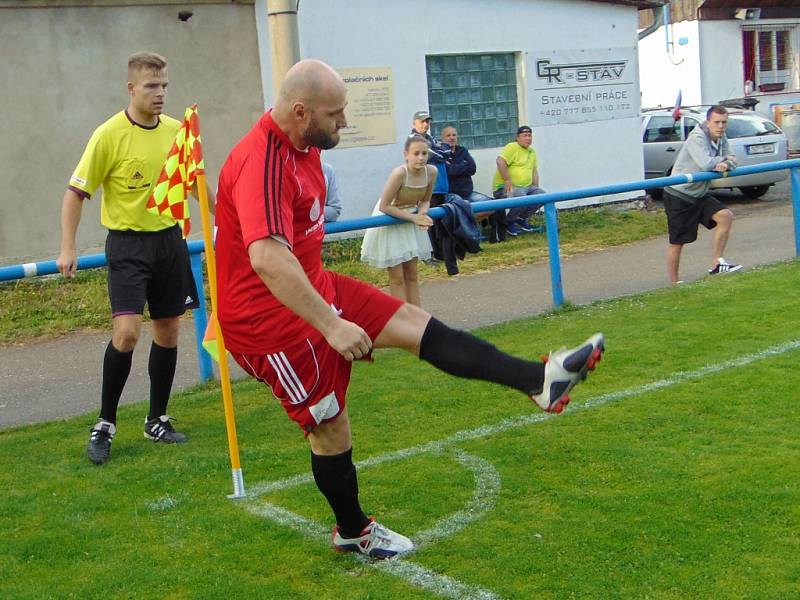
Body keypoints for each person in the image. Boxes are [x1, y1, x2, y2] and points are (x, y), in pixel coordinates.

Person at [214, 59, 605, 561]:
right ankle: (353, 529)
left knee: (415, 324)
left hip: (313, 285)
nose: (345, 122)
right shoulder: (262, 159)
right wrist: (331, 324)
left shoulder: (304, 144)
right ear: (299, 111)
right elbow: (267, 256)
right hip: (266, 321)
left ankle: (539, 381)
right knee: (331, 426)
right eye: (336, 114)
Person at [56, 52, 202, 465]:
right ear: (131, 89)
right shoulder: (108, 135)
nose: (160, 94)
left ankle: (157, 419)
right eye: (152, 86)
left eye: (165, 86)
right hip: (127, 246)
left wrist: (223, 223)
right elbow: (75, 193)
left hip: (169, 242)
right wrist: (67, 246)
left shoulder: (178, 132)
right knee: (127, 334)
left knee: (169, 331)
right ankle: (105, 423)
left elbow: (194, 185)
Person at [663, 105, 742, 283]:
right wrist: (723, 161)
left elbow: (734, 160)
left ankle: (716, 264)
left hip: (699, 193)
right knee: (678, 242)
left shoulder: (722, 138)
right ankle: (674, 284)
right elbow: (705, 164)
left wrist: (726, 163)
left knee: (725, 216)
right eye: (717, 122)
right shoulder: (697, 137)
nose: (721, 126)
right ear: (708, 122)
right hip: (679, 194)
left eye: (724, 122)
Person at [360, 135, 435, 305]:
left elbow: (425, 199)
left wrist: (422, 214)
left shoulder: (431, 172)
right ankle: (402, 320)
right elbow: (384, 206)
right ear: (406, 155)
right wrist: (414, 218)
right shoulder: (399, 174)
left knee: (412, 274)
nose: (421, 158)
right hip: (390, 219)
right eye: (416, 153)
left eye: (424, 153)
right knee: (397, 277)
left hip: (411, 219)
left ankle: (417, 317)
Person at [441, 125, 507, 243]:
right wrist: (463, 166)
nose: (451, 138)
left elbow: (472, 168)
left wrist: (456, 168)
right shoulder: (441, 154)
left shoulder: (463, 151)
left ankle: (493, 236)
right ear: (442, 138)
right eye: (448, 135)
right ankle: (466, 236)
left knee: (494, 205)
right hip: (451, 194)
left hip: (468, 193)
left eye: (454, 135)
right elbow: (449, 171)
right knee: (461, 209)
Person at [492, 125, 546, 236]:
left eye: (530, 135)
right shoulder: (512, 147)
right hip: (504, 187)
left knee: (542, 195)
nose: (528, 138)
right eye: (525, 135)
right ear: (518, 138)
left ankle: (521, 218)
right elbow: (500, 161)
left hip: (526, 187)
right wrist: (507, 180)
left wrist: (535, 188)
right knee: (521, 196)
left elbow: (534, 171)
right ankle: (509, 222)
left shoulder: (532, 152)